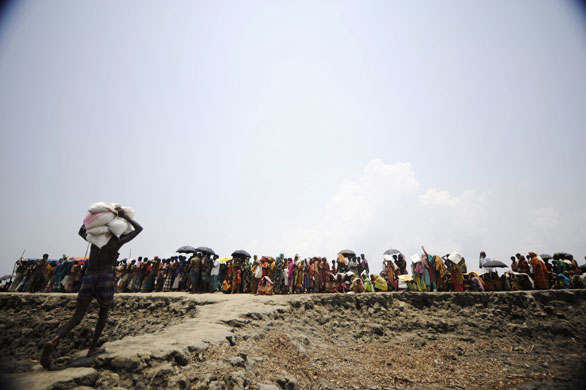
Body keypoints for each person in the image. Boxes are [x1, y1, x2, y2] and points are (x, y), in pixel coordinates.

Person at [41, 206, 142, 369]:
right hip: (105, 277)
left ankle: (54, 341)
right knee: (103, 312)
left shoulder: (95, 240)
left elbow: (82, 231)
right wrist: (125, 217)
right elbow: (139, 229)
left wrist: (91, 220)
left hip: (89, 277)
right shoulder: (116, 242)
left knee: (77, 316)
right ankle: (92, 348)